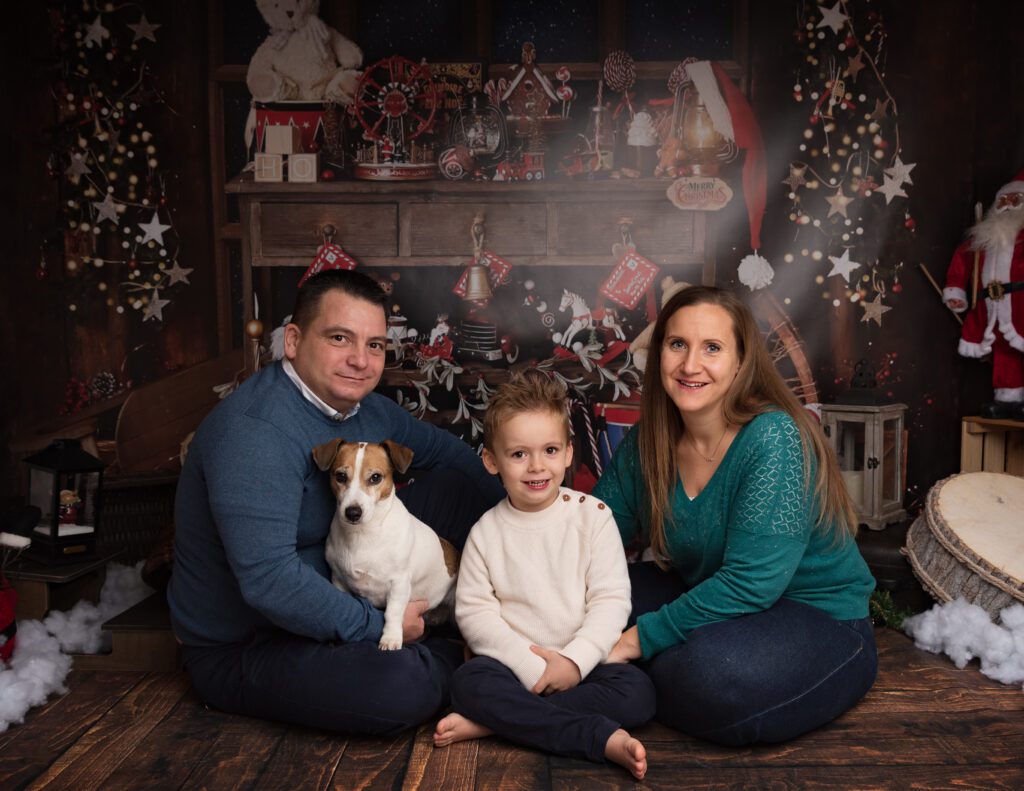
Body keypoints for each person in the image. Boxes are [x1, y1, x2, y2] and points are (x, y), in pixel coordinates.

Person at [167, 269, 504, 735]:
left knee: (457, 486)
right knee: (399, 687)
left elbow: (449, 453)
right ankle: (465, 658)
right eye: (340, 338)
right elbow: (270, 584)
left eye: (374, 346)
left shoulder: (363, 410)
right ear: (292, 341)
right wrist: (380, 625)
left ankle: (504, 619)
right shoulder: (255, 434)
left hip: (348, 582)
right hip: (250, 643)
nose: (360, 361)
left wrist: (540, 516)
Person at [592, 285, 878, 746]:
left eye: (712, 348)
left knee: (709, 674)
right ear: (659, 352)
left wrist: (630, 642)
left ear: (742, 362)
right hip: (708, 592)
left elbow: (752, 583)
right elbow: (591, 532)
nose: (690, 365)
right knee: (586, 603)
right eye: (677, 344)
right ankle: (630, 680)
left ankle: (623, 677)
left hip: (816, 615)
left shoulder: (774, 437)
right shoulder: (652, 440)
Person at [433, 369, 655, 780]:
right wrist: (530, 668)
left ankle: (494, 722)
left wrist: (574, 662)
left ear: (569, 453)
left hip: (584, 664)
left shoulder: (594, 518)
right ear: (491, 461)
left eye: (550, 450)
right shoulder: (486, 532)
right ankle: (594, 736)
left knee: (637, 694)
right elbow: (475, 616)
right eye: (518, 454)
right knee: (468, 681)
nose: (537, 466)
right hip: (514, 670)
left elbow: (610, 602)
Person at [943, 169, 1024, 420]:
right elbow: (962, 261)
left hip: (1021, 304)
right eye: (1003, 202)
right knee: (1004, 353)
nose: (1007, 207)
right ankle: (1007, 400)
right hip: (992, 307)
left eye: (1015, 201)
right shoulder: (983, 237)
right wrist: (956, 290)